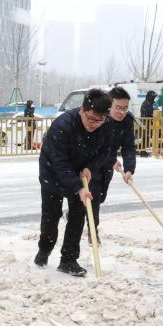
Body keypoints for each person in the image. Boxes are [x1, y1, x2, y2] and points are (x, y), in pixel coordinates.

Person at [35, 88, 112, 277]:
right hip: (53, 172)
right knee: (51, 215)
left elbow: (105, 152)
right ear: (82, 110)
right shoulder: (63, 125)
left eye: (100, 120)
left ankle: (68, 260)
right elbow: (60, 162)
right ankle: (44, 250)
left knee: (78, 215)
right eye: (91, 119)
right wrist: (78, 187)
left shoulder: (105, 126)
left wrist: (90, 168)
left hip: (80, 172)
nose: (94, 124)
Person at [89, 86, 138, 238]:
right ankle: (93, 232)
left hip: (108, 165)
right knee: (94, 196)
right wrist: (111, 160)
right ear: (110, 104)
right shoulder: (99, 118)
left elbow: (129, 147)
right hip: (91, 163)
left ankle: (77, 212)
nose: (122, 112)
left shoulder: (127, 120)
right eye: (118, 107)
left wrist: (129, 169)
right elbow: (95, 145)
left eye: (125, 108)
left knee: (100, 197)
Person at [137, 89, 157, 157]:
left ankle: (152, 150)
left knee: (151, 136)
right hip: (146, 122)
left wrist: (157, 111)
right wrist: (152, 114)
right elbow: (146, 113)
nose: (154, 98)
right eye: (153, 96)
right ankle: (142, 151)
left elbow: (156, 110)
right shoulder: (146, 103)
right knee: (145, 136)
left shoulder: (153, 103)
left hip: (152, 122)